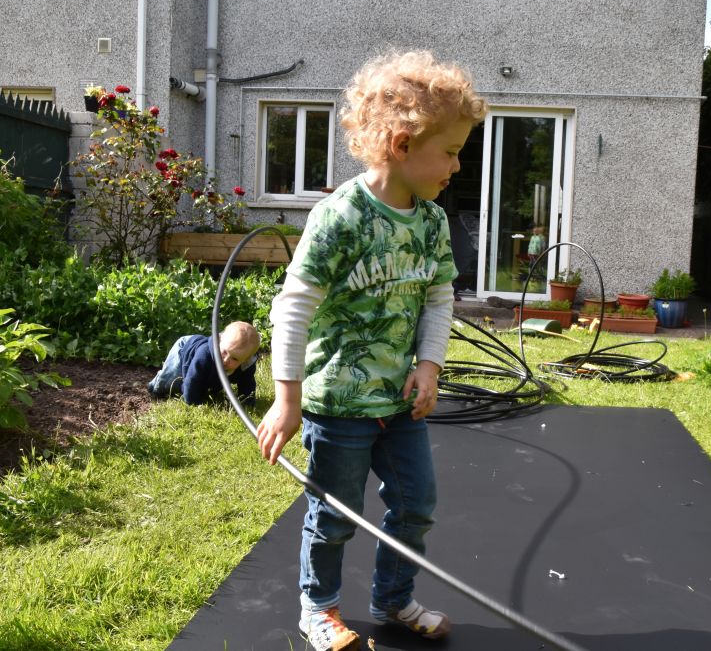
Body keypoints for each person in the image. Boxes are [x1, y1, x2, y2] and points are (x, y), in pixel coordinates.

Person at [257, 50, 487, 651]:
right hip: (338, 403)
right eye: (453, 151)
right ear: (404, 143)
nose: (459, 166)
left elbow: (439, 300)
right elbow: (294, 308)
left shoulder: (433, 223)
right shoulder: (342, 217)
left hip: (399, 401)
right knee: (334, 515)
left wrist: (430, 365)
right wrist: (287, 399)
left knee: (417, 505)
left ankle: (393, 599)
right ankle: (320, 607)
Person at [147, 320, 260, 407]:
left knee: (207, 382)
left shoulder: (246, 366)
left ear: (245, 360)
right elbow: (192, 379)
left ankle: (205, 388)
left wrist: (247, 402)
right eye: (224, 352)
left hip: (205, 364)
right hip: (184, 350)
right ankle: (155, 386)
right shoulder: (204, 354)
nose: (225, 360)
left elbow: (247, 384)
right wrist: (194, 402)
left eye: (235, 359)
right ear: (220, 340)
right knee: (172, 379)